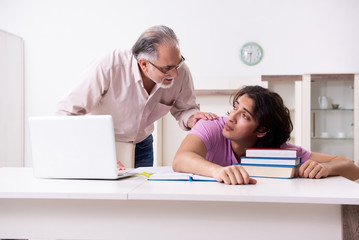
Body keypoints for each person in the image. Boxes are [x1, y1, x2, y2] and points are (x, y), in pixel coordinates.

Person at [57, 25, 217, 169]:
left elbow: (185, 109)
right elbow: (66, 113)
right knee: (107, 199)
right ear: (144, 64)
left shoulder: (180, 72)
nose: (175, 73)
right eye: (167, 68)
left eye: (178, 64)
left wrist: (192, 118)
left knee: (141, 197)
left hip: (143, 146)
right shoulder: (109, 65)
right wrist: (96, 155)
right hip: (105, 145)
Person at [173, 85, 359, 185]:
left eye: (244, 115)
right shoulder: (212, 126)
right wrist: (218, 171)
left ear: (262, 130)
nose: (232, 117)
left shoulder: (278, 150)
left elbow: (351, 167)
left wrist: (326, 168)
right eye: (235, 108)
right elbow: (181, 159)